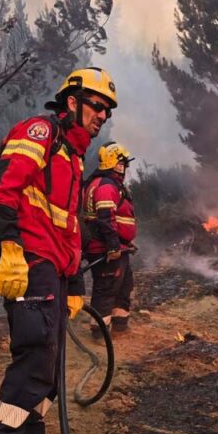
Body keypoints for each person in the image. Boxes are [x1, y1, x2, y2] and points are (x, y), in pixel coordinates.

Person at [0, 67, 118, 434]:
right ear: (71, 102)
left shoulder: (72, 157)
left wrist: (75, 281)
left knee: (50, 364)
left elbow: (69, 225)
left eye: (107, 111)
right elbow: (7, 189)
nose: (102, 116)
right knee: (35, 358)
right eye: (97, 106)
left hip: (54, 271)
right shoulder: (41, 133)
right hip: (30, 263)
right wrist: (10, 246)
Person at [82, 142, 137, 335]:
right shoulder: (106, 186)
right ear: (112, 162)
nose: (124, 168)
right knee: (105, 290)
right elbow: (105, 219)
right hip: (105, 249)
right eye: (121, 163)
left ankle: (120, 328)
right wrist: (113, 246)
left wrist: (125, 242)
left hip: (117, 248)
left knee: (123, 287)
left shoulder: (107, 183)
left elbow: (117, 220)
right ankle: (100, 335)